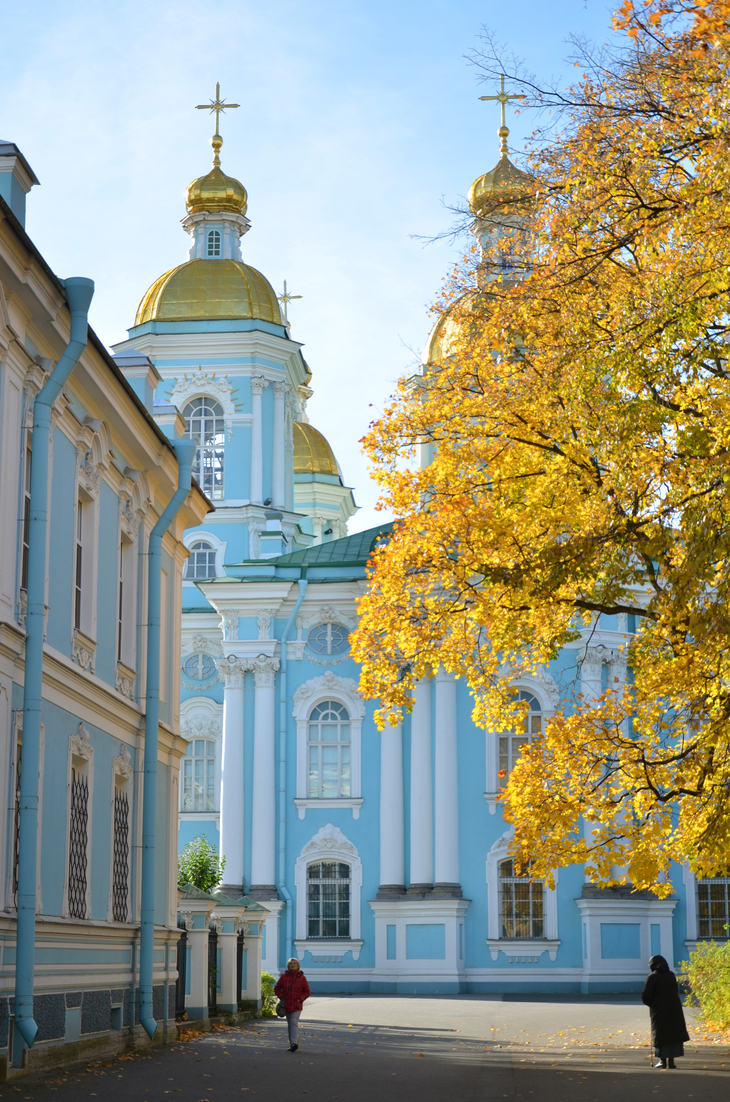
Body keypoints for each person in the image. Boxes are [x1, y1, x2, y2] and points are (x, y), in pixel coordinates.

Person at [641, 954, 690, 1068]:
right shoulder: (671, 975)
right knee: (673, 1032)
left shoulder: (652, 977)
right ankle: (671, 1061)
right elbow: (675, 990)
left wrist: (652, 1004)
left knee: (661, 1033)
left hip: (659, 1010)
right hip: (674, 1009)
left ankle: (663, 1061)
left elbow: (645, 995)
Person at [274, 957, 310, 1052]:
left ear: (298, 966)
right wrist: (282, 997)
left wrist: (300, 999)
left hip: (297, 1005)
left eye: (294, 963)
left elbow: (307, 992)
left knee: (293, 1023)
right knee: (290, 1024)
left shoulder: (302, 978)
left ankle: (294, 1043)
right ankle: (291, 1043)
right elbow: (276, 988)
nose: (292, 965)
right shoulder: (283, 977)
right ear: (288, 966)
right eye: (290, 964)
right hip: (286, 1005)